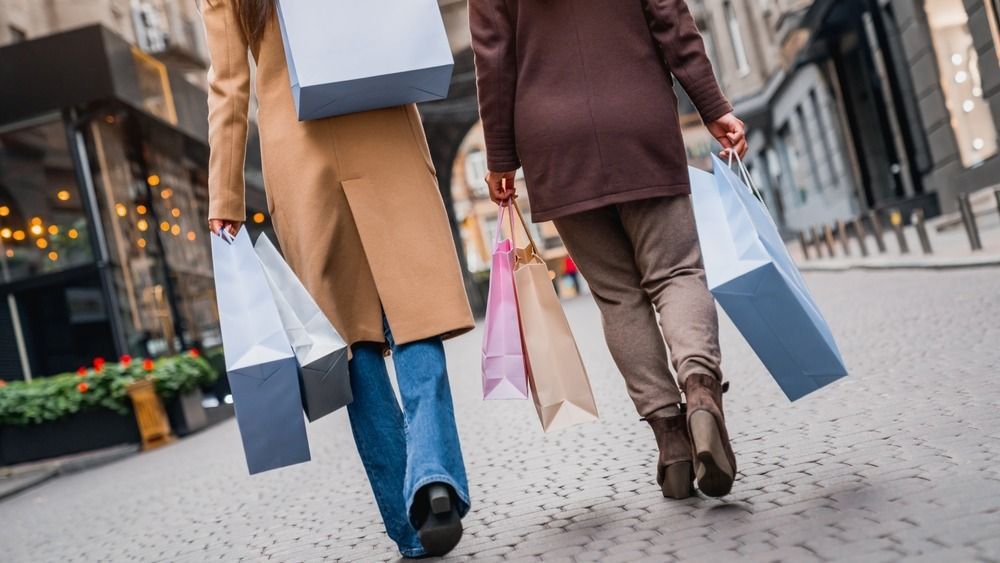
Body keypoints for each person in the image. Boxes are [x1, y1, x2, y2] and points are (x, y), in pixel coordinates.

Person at [201, 0, 474, 556]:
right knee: (417, 307)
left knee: (349, 340)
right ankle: (433, 471)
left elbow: (228, 84)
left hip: (297, 149)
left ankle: (410, 526)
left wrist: (225, 194)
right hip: (382, 116)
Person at [471, 0, 747, 499]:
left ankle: (671, 442)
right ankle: (701, 393)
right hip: (636, 116)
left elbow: (493, 57)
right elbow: (670, 16)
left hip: (554, 140)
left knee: (619, 296)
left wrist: (500, 158)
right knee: (676, 273)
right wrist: (712, 105)